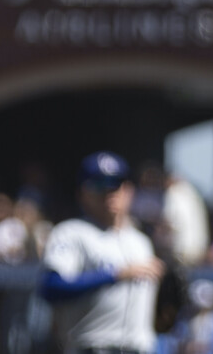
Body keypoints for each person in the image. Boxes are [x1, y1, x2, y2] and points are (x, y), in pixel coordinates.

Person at [39, 151, 166, 354]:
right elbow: (51, 287)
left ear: (129, 190)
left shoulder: (141, 242)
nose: (109, 191)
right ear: (82, 193)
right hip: (92, 346)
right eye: (98, 184)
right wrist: (114, 275)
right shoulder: (70, 232)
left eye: (115, 183)